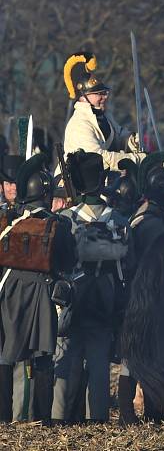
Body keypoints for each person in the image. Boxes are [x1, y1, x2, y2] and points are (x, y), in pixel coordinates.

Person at [52, 150, 134, 423]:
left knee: (66, 360)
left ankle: (59, 417)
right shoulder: (119, 220)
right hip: (105, 296)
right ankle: (97, 418)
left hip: (72, 296)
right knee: (99, 362)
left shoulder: (65, 219)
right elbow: (127, 261)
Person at [0, 154, 75, 424]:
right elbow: (68, 261)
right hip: (43, 294)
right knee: (43, 355)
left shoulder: (9, 222)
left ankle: (3, 418)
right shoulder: (57, 225)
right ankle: (43, 419)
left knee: (6, 356)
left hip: (9, 292)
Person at [117, 152, 164, 425]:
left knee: (140, 351)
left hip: (140, 292)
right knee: (143, 352)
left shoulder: (144, 218)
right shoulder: (151, 224)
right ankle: (136, 412)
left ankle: (146, 412)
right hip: (148, 294)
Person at [62, 52, 145, 169]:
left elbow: (119, 137)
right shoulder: (79, 125)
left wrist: (133, 141)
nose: (105, 97)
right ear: (83, 96)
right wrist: (137, 159)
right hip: (80, 185)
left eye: (104, 93)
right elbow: (99, 159)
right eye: (99, 94)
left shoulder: (104, 117)